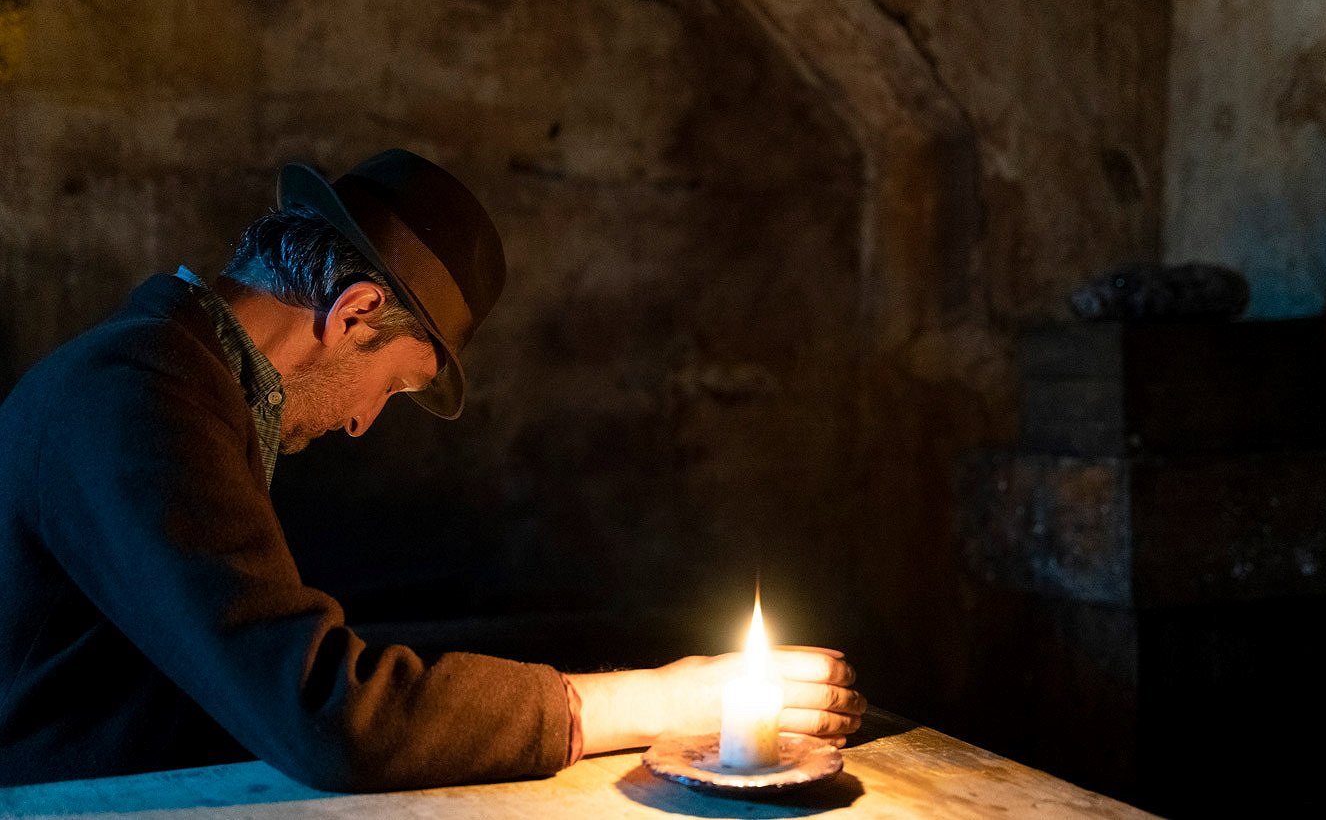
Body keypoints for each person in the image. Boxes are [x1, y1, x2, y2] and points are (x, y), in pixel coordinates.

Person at [0, 148, 863, 791]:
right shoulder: (138, 394)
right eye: (393, 385)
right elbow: (323, 714)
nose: (360, 420)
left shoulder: (171, 381)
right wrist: (646, 703)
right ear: (355, 312)